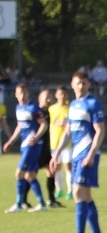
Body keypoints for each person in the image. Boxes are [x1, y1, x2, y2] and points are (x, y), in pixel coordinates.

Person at [50, 71, 106, 233]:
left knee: (77, 192)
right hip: (76, 156)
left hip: (87, 155)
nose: (80, 86)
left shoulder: (93, 103)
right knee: (85, 195)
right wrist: (57, 153)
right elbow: (68, 132)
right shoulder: (73, 105)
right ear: (72, 85)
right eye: (77, 83)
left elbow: (100, 131)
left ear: (88, 84)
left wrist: (91, 154)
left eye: (84, 83)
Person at [3, 83, 49, 213]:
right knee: (30, 175)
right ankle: (42, 204)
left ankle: (18, 204)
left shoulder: (33, 107)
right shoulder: (19, 108)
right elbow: (20, 126)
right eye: (20, 93)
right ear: (16, 95)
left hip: (32, 146)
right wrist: (11, 141)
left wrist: (36, 137)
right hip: (25, 145)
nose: (22, 95)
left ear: (28, 93)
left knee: (19, 173)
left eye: (24, 93)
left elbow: (44, 125)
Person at [37, 89, 61, 208]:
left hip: (46, 148)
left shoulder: (48, 112)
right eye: (46, 97)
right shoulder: (37, 112)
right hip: (37, 148)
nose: (49, 99)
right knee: (31, 174)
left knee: (52, 171)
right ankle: (23, 200)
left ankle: (51, 200)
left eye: (50, 97)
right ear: (39, 99)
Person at [48, 84, 73, 202]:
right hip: (55, 142)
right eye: (60, 94)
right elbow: (50, 124)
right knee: (56, 167)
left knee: (68, 166)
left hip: (67, 143)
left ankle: (70, 191)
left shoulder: (70, 108)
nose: (62, 96)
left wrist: (64, 124)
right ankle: (59, 189)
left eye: (64, 94)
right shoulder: (51, 109)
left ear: (66, 95)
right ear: (56, 95)